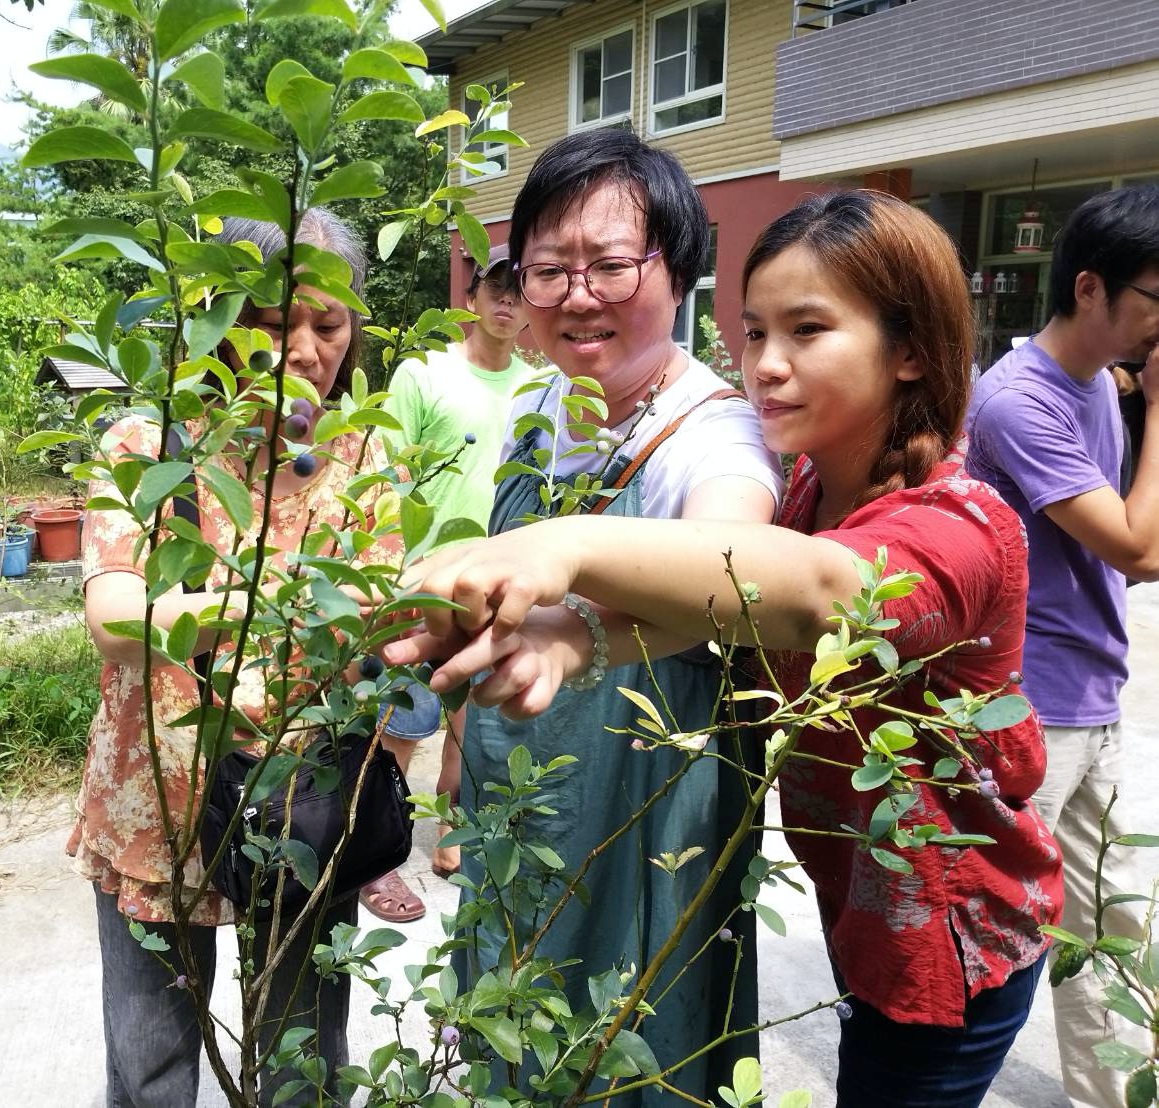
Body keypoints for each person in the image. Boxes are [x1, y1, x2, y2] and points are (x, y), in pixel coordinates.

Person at [387, 190, 1063, 1106]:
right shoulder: (812, 489)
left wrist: (570, 546)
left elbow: (810, 594)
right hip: (859, 907)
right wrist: (574, 637)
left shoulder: (960, 527)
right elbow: (726, 607)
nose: (766, 367)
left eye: (807, 330)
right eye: (752, 333)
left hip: (948, 935)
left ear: (910, 350)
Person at [439, 128, 785, 1104]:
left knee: (625, 1041)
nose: (576, 293)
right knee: (510, 1025)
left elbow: (736, 566)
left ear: (675, 270)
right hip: (520, 795)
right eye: (548, 268)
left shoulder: (712, 428)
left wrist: (580, 584)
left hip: (639, 813)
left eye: (609, 264)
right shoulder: (538, 406)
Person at [74, 209, 398, 1107]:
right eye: (267, 324)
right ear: (214, 326)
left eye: (326, 325)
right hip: (160, 803)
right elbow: (112, 616)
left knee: (303, 1063)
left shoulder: (367, 455)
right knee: (151, 1067)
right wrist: (283, 603)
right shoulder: (149, 450)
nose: (301, 350)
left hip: (303, 801)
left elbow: (377, 622)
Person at [965, 184, 1159, 1108]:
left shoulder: (1096, 388)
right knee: (988, 933)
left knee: (1111, 929)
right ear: (1090, 288)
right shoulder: (1014, 403)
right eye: (1157, 299)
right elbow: (1137, 545)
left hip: (1096, 695)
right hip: (1030, 710)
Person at [379, 242, 536, 893]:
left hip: (498, 585)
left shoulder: (538, 386)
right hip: (422, 580)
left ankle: (448, 832)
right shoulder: (424, 372)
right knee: (399, 726)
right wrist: (389, 569)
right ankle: (377, 849)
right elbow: (387, 474)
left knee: (468, 727)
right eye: (495, 286)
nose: (506, 300)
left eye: (519, 290)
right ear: (470, 297)